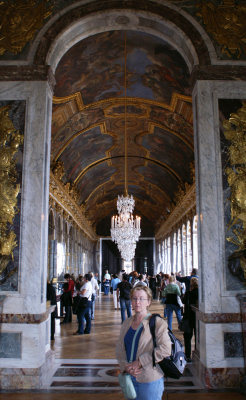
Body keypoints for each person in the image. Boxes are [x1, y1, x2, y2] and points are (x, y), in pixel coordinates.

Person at [116, 285, 172, 400]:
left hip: (149, 379)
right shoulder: (127, 323)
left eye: (142, 299)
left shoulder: (157, 322)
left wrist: (140, 362)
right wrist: (125, 366)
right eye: (134, 298)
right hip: (129, 377)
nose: (137, 302)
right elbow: (120, 348)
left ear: (149, 302)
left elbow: (166, 349)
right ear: (131, 301)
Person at [182, 277, 199, 362]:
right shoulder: (200, 293)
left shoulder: (188, 293)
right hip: (197, 318)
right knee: (198, 337)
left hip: (188, 318)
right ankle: (197, 353)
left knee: (187, 338)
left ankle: (188, 356)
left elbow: (183, 301)